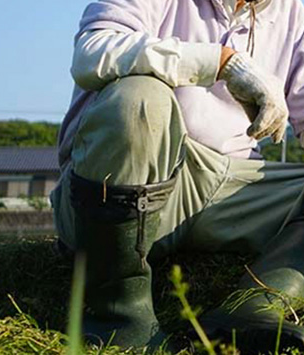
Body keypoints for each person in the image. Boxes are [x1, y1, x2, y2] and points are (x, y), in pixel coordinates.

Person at [51, 0, 304, 352]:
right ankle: (118, 318)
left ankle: (252, 306)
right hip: (131, 172)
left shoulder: (294, 13)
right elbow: (94, 51)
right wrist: (222, 62)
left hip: (230, 186)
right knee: (139, 96)